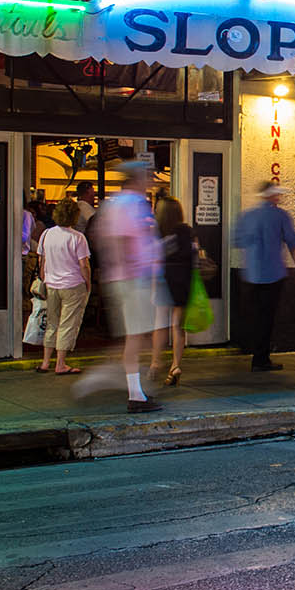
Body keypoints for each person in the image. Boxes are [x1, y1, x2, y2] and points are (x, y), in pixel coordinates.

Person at [93, 159, 162, 412]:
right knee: (135, 338)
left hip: (127, 277)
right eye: (148, 176)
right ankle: (132, 393)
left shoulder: (115, 204)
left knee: (136, 336)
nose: (151, 180)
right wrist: (132, 270)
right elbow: (123, 238)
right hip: (132, 279)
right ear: (136, 179)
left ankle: (136, 390)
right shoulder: (131, 204)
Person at [235, 179, 295, 372]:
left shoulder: (246, 216)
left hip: (251, 274)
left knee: (255, 316)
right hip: (273, 273)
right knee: (267, 317)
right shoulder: (281, 216)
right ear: (271, 195)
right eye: (277, 194)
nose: (279, 197)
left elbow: (238, 241)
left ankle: (255, 354)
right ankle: (261, 359)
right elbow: (293, 243)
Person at [36, 199, 91, 375]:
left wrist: (45, 278)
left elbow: (41, 260)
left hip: (52, 284)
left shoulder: (47, 234)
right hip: (73, 285)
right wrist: (88, 282)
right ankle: (60, 364)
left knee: (52, 323)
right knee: (67, 324)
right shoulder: (78, 237)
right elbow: (84, 264)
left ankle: (45, 362)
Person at [153, 196, 197, 387]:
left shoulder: (158, 232)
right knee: (178, 326)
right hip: (184, 281)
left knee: (160, 323)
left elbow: (154, 257)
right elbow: (195, 255)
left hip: (164, 279)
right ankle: (176, 366)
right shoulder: (187, 232)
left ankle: (155, 362)